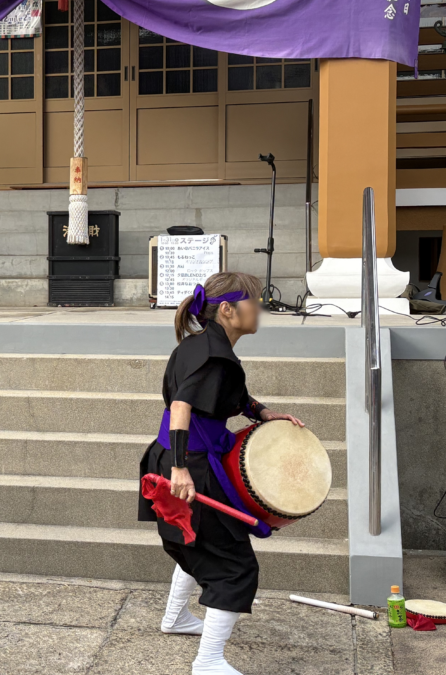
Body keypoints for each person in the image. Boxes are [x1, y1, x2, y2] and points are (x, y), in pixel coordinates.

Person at [138, 272, 304, 675]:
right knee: (234, 565)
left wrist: (262, 412)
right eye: (255, 301)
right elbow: (181, 409)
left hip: (176, 456)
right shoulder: (214, 356)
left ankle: (176, 619)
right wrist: (180, 470)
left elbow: (229, 396)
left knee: (199, 544)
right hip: (189, 464)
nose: (260, 307)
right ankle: (208, 663)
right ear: (228, 310)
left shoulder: (201, 345)